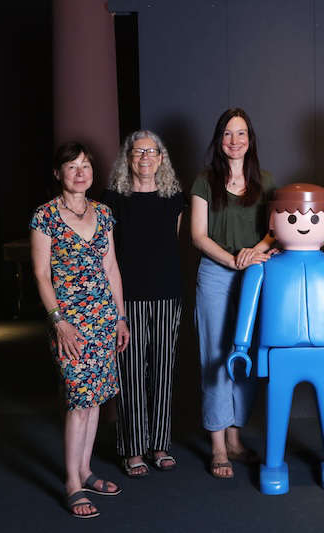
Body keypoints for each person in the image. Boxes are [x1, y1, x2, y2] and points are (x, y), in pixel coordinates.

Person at [226, 183, 324, 495]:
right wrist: (240, 347)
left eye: (313, 219)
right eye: (292, 218)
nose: (303, 224)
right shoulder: (260, 269)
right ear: (273, 221)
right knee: (277, 409)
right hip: (279, 353)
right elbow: (248, 311)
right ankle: (273, 465)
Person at [30, 142, 130, 518]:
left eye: (85, 165)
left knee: (95, 401)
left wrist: (120, 317)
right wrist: (59, 322)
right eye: (71, 166)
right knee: (78, 401)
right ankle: (72, 482)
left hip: (104, 319)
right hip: (69, 323)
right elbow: (41, 274)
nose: (80, 172)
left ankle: (86, 471)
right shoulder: (45, 217)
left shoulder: (103, 214)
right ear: (58, 174)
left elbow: (112, 269)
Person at [190, 108, 275, 479]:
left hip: (254, 275)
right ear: (219, 140)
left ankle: (237, 439)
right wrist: (232, 260)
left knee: (248, 356)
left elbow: (276, 231)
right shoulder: (204, 182)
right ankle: (218, 447)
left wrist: (253, 254)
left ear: (250, 139)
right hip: (215, 274)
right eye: (227, 134)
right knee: (215, 354)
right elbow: (197, 235)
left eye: (241, 134)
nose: (235, 141)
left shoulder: (267, 182)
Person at [103, 130, 185, 477]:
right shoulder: (113, 200)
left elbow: (175, 243)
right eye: (138, 152)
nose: (145, 157)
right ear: (128, 159)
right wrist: (118, 308)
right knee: (132, 374)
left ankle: (160, 445)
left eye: (152, 151)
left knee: (163, 372)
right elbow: (108, 256)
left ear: (161, 158)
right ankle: (133, 448)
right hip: (130, 297)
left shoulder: (174, 198)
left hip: (168, 293)